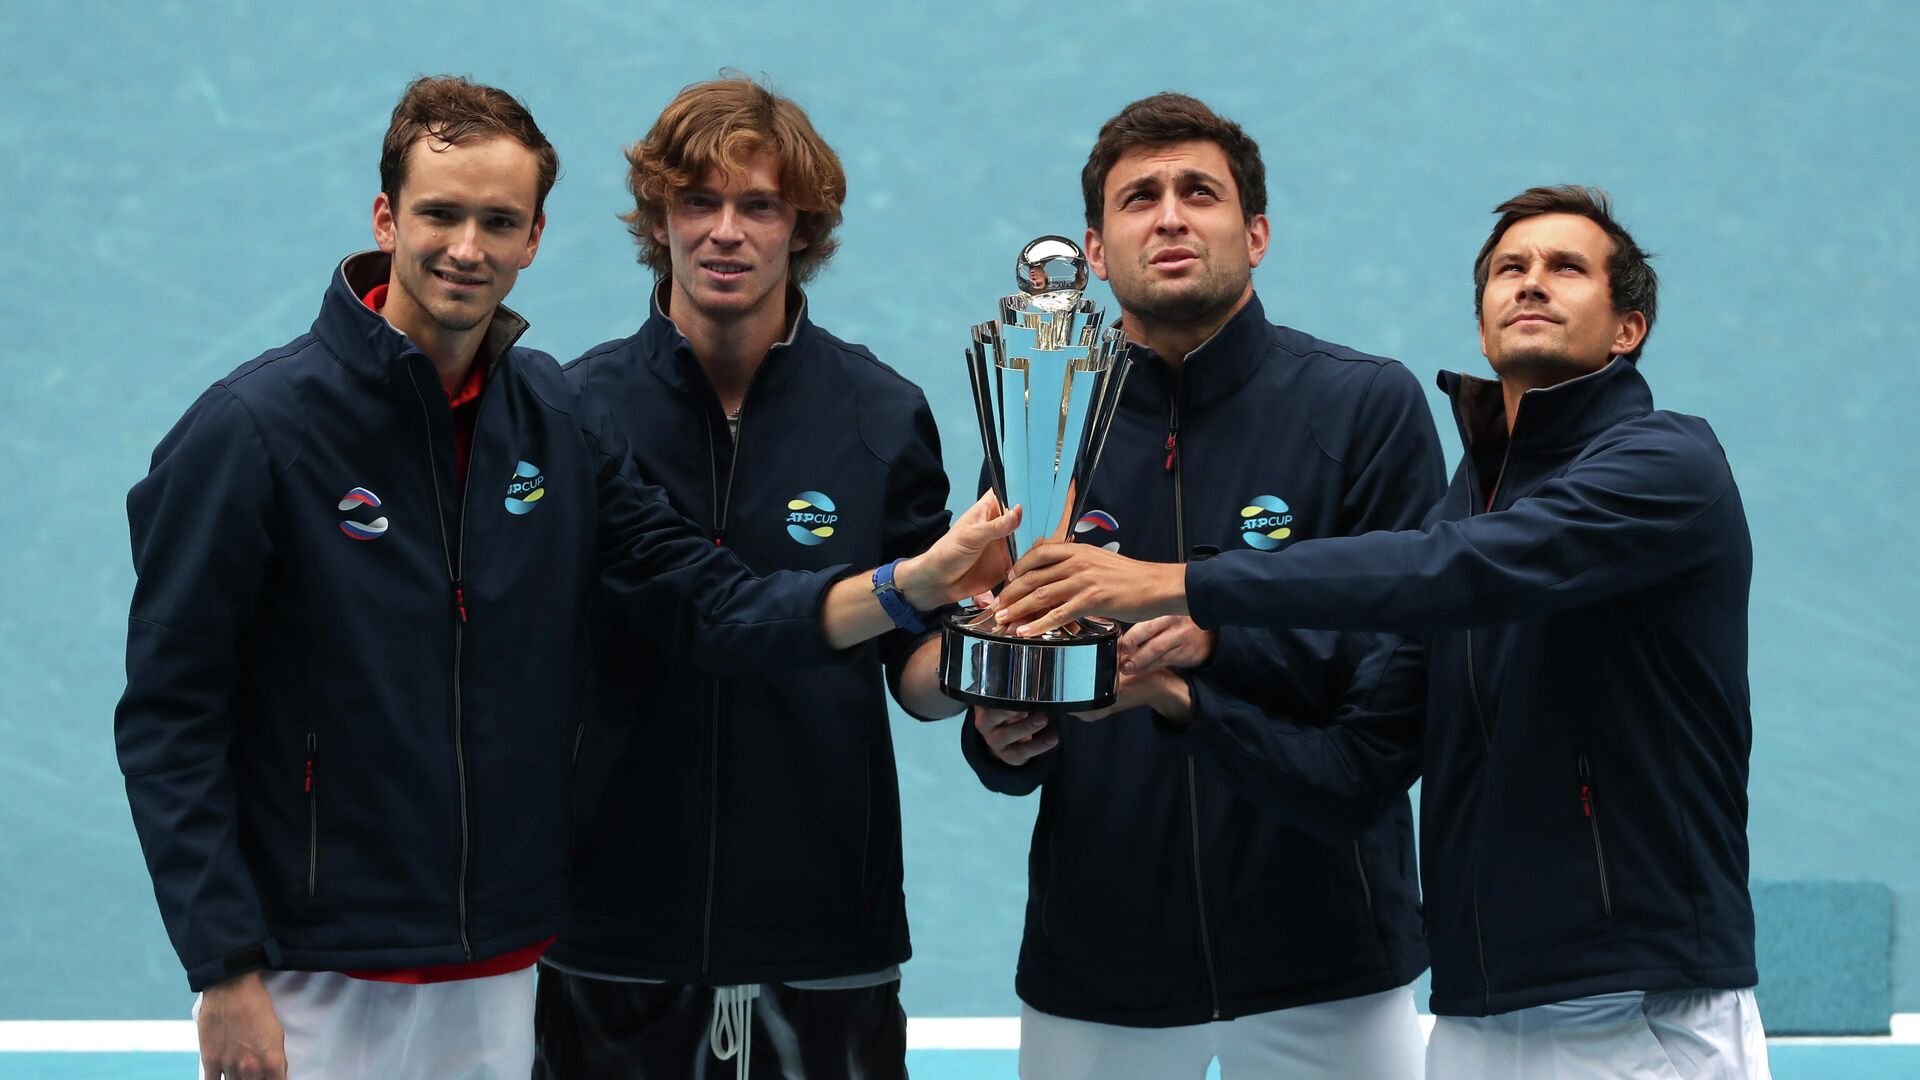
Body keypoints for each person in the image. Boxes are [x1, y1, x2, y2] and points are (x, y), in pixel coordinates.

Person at [114, 75, 1014, 1080]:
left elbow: (709, 604)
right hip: (331, 969)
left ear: (535, 237)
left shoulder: (549, 418)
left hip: (504, 964)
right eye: (441, 214)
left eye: (497, 221)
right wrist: (225, 968)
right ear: (386, 217)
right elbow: (170, 716)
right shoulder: (254, 432)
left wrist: (917, 585)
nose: (467, 247)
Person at [994, 185, 1770, 1079]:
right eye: (1510, 269)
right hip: (1479, 1014)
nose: (1531, 284)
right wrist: (1177, 701)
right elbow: (1354, 774)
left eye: (1567, 268)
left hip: (1641, 1003)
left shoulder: (1668, 466)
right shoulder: (1468, 502)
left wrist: (1181, 586)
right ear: (1482, 325)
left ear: (1627, 327)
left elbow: (1457, 571)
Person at [964, 93, 1442, 1079]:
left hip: (1332, 971)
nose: (1171, 216)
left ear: (1255, 234)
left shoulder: (1363, 407)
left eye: (1200, 193)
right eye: (1139, 198)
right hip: (1100, 972)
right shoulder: (1040, 423)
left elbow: (1399, 673)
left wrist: (1212, 632)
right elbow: (1010, 679)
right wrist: (1000, 729)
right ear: (1094, 253)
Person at [533, 76, 963, 1079]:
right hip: (609, 932)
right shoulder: (570, 413)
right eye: (698, 202)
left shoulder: (882, 415)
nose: (725, 233)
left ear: (799, 226)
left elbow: (912, 670)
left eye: (758, 205)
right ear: (659, 219)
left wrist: (996, 680)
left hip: (825, 938)